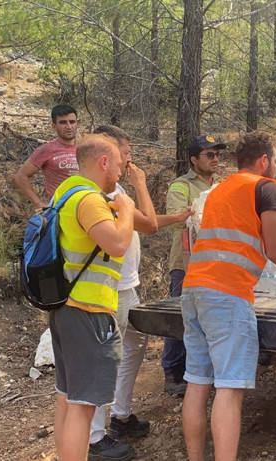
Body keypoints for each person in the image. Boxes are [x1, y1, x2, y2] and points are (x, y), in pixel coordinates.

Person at [180, 131, 276, 461]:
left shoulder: (219, 190)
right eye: (274, 159)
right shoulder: (265, 186)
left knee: (198, 383)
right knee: (230, 388)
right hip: (227, 294)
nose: (275, 165)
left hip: (194, 288)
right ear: (264, 160)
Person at [86, 125, 192, 460]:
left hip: (127, 286)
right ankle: (94, 438)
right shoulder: (101, 194)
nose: (130, 161)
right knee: (106, 360)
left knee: (133, 348)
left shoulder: (115, 190)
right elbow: (146, 221)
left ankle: (121, 415)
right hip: (107, 291)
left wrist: (167, 211)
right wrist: (141, 186)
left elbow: (144, 221)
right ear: (109, 156)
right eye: (126, 154)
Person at [48, 134, 135, 461]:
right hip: (87, 311)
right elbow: (116, 244)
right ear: (103, 162)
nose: (121, 168)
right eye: (118, 162)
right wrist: (125, 208)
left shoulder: (64, 192)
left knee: (67, 399)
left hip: (65, 307)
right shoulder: (89, 199)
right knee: (83, 408)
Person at [162, 134, 225, 396]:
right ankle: (173, 370)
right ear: (194, 160)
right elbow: (178, 219)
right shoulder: (181, 186)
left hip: (216, 262)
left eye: (217, 154)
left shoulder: (223, 185)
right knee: (180, 316)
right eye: (209, 155)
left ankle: (203, 368)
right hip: (185, 262)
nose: (215, 159)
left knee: (209, 315)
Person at [15, 104, 80, 208]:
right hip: (59, 210)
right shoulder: (46, 150)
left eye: (72, 122)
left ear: (77, 124)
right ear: (54, 126)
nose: (69, 126)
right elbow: (21, 176)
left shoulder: (85, 149)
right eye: (63, 122)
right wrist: (38, 203)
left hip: (85, 208)